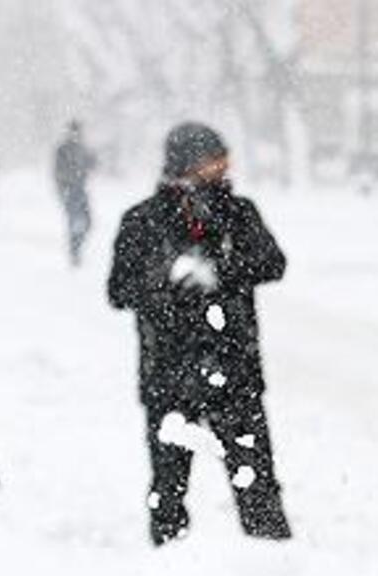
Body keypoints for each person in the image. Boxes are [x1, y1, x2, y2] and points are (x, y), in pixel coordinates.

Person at [108, 122, 292, 546]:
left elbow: (272, 262)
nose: (223, 167)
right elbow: (119, 290)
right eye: (213, 158)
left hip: (235, 371)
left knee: (257, 483)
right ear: (185, 163)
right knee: (169, 487)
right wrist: (166, 279)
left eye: (224, 157)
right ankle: (171, 569)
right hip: (168, 376)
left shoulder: (239, 213)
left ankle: (276, 567)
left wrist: (218, 273)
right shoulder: (142, 220)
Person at [53, 121, 96, 265]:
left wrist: (92, 160)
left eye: (78, 131)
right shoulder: (63, 149)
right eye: (74, 131)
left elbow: (92, 165)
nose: (76, 134)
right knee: (75, 221)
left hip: (80, 190)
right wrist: (63, 188)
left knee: (88, 222)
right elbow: (58, 172)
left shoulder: (82, 148)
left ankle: (76, 249)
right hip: (69, 190)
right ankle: (74, 252)